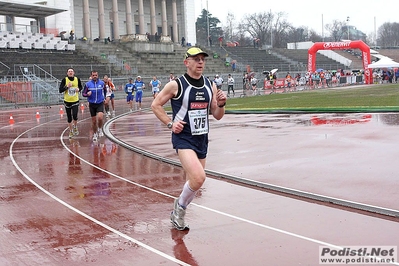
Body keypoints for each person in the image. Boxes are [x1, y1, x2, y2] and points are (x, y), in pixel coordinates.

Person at [151, 47, 227, 230]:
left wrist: (222, 104)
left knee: (194, 181)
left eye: (203, 59)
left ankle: (179, 209)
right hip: (183, 138)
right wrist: (170, 124)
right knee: (199, 177)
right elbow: (155, 105)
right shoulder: (176, 85)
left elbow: (217, 115)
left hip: (202, 139)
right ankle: (180, 209)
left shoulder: (210, 85)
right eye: (196, 59)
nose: (201, 62)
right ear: (187, 62)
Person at [59, 68, 83, 138]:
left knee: (75, 115)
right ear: (67, 73)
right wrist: (67, 87)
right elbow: (60, 90)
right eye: (69, 71)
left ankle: (75, 127)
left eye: (71, 71)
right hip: (67, 101)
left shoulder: (77, 79)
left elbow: (81, 87)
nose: (70, 72)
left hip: (75, 100)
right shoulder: (64, 80)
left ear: (74, 73)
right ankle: (71, 131)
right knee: (69, 117)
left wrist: (79, 89)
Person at [82, 70, 106, 142]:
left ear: (97, 75)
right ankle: (95, 134)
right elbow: (83, 93)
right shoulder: (88, 84)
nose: (95, 76)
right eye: (93, 75)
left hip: (100, 103)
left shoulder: (102, 83)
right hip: (92, 104)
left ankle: (100, 128)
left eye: (96, 75)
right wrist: (87, 94)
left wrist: (104, 98)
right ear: (91, 76)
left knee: (100, 118)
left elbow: (104, 91)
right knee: (94, 121)